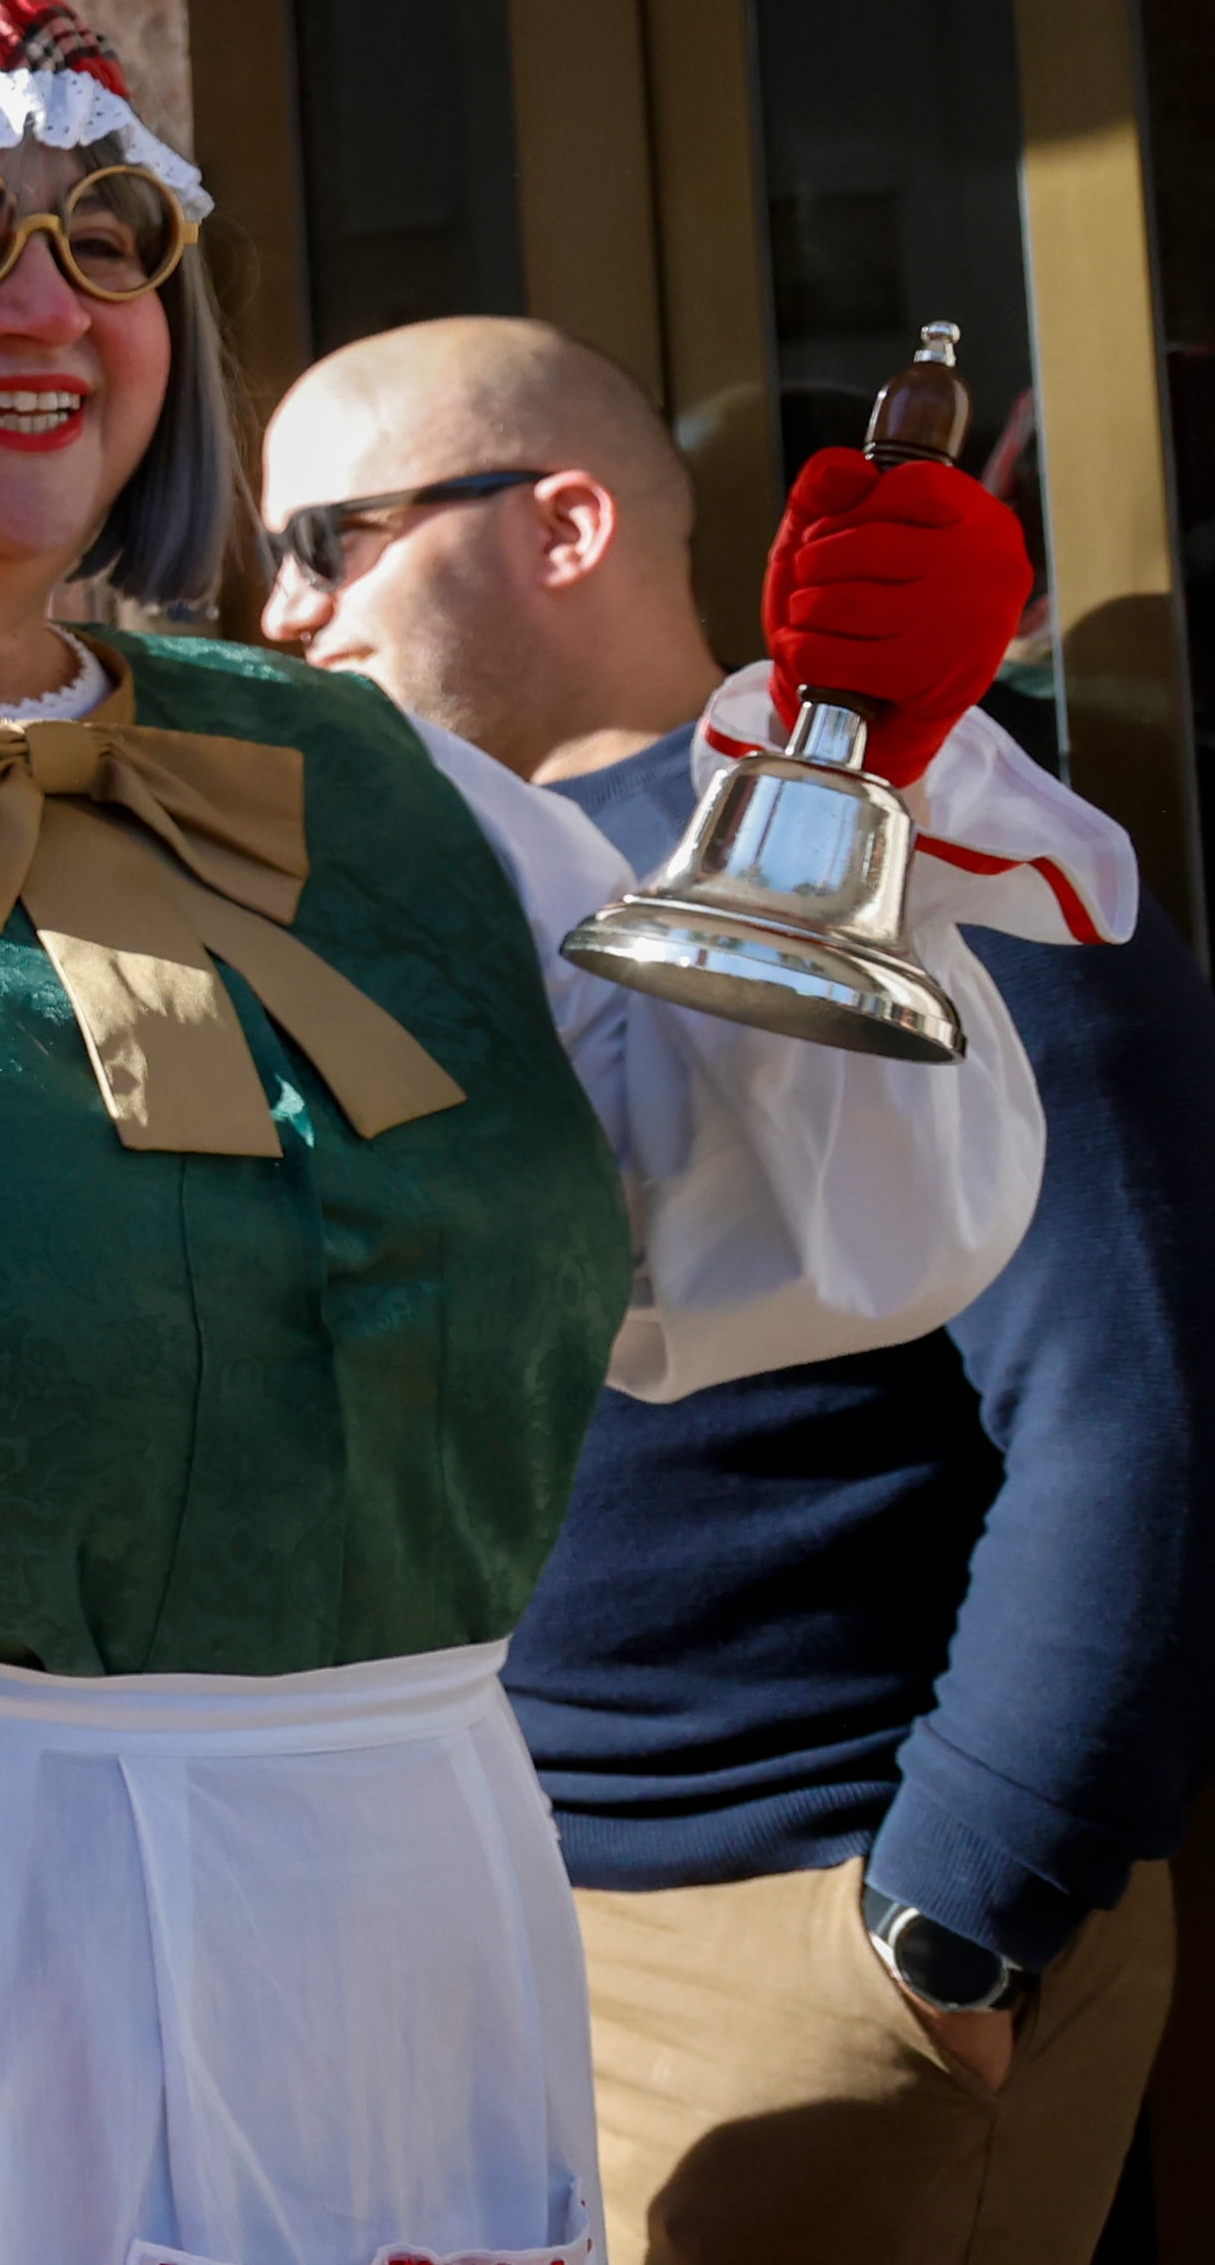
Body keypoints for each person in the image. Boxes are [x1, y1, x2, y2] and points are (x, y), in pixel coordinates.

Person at [0, 0, 1114, 2265]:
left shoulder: (375, 771)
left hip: (397, 1910)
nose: (49, 301)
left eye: (111, 236)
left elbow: (774, 1245)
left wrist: (839, 763)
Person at [264, 313, 1215, 2265]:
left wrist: (949, 1916)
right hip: (479, 1924)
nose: (279, 611)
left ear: (564, 520)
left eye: (328, 536)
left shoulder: (927, 832)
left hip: (796, 1926)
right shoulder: (432, 888)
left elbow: (1132, 1405)